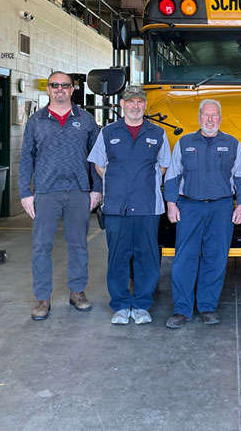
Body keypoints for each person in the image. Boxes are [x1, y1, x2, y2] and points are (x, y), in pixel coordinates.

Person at [19, 71, 102, 321]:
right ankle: (42, 298)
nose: (60, 90)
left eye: (65, 85)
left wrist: (97, 188)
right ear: (48, 89)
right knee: (41, 247)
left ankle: (77, 292)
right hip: (46, 191)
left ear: (72, 89)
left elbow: (96, 158)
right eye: (55, 85)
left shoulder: (86, 120)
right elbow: (25, 158)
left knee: (78, 245)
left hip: (78, 191)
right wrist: (25, 192)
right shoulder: (36, 121)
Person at [164, 99, 241, 329]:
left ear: (220, 119)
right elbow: (172, 175)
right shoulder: (184, 143)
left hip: (221, 208)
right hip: (189, 207)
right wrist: (171, 204)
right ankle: (181, 309)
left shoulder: (232, 144)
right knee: (185, 258)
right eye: (206, 115)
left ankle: (207, 306)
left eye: (214, 116)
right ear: (199, 117)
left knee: (216, 256)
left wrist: (240, 205)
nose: (210, 119)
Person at [88, 85, 171, 325]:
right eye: (130, 101)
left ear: (145, 105)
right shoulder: (107, 132)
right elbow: (99, 165)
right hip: (116, 207)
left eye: (139, 102)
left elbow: (164, 165)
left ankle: (143, 305)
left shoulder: (158, 133)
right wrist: (119, 183)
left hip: (148, 206)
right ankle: (121, 305)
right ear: (122, 104)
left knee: (148, 257)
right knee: (118, 257)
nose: (135, 105)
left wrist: (141, 183)